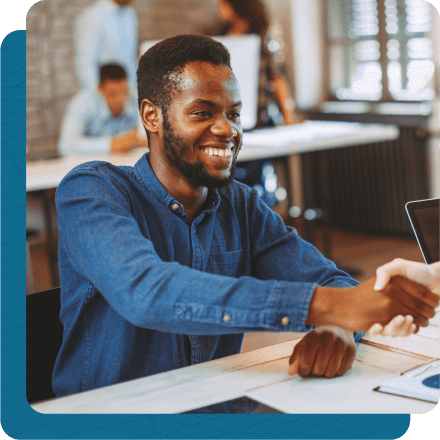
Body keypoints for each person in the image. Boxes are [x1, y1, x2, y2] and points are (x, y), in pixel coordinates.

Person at [53, 35, 439, 413]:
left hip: (215, 410)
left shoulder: (239, 203)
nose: (227, 129)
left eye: (234, 114)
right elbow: (145, 292)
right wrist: (328, 307)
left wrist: (336, 328)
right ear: (151, 116)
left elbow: (331, 282)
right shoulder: (91, 191)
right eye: (202, 113)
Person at [213, 0, 301, 127]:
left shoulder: (263, 37)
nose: (218, 7)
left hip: (262, 115)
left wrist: (288, 116)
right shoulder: (221, 35)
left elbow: (277, 77)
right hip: (230, 116)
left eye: (222, 3)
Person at [58, 63, 148, 156]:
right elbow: (66, 147)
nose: (120, 99)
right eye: (112, 94)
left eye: (124, 92)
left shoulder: (138, 100)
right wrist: (111, 144)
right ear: (100, 89)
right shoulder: (82, 104)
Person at [73, 0, 138, 92]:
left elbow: (130, 60)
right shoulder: (94, 16)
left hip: (126, 94)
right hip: (105, 94)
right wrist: (98, 97)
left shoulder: (130, 15)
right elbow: (85, 62)